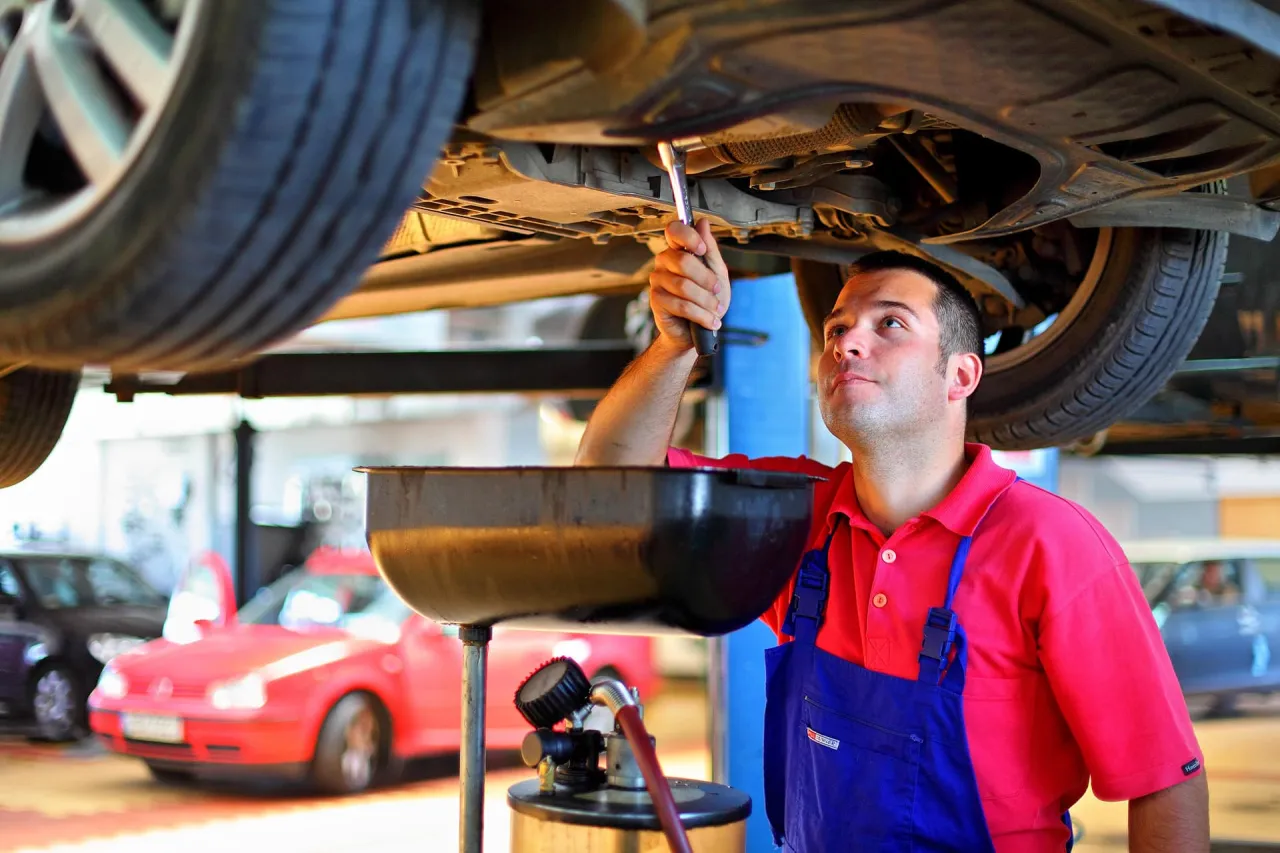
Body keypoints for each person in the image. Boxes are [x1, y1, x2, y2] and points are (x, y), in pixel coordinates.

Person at [574, 219, 1209, 852]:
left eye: (891, 324)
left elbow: (1164, 783)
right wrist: (673, 345)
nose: (849, 343)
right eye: (837, 329)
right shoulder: (797, 515)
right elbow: (611, 484)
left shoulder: (1050, 544)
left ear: (960, 376)